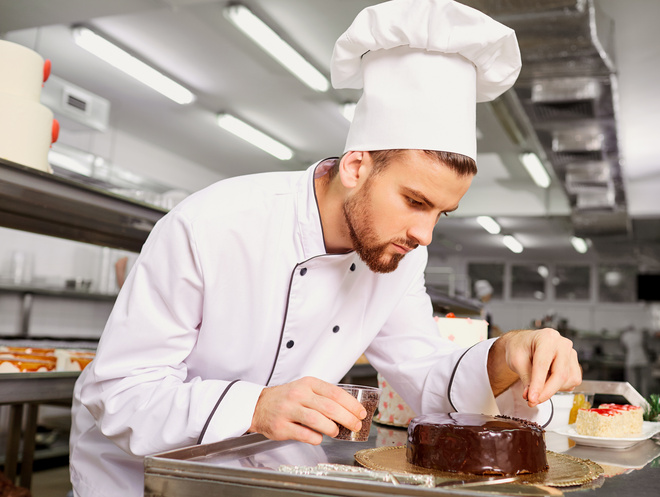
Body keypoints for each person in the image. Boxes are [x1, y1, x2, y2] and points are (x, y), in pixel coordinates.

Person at [69, 1, 582, 496]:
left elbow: (425, 376)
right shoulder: (212, 224)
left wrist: (507, 353)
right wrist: (255, 406)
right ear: (357, 167)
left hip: (270, 478)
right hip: (142, 480)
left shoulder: (400, 257)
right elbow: (117, 395)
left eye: (439, 214)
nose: (425, 234)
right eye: (413, 201)